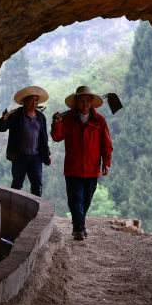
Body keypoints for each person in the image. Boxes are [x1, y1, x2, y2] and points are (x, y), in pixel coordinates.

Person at [50, 85, 113, 241]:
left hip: (92, 168)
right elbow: (57, 137)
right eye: (81, 101)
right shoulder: (67, 119)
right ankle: (79, 229)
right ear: (76, 103)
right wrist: (56, 123)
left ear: (91, 102)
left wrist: (106, 162)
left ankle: (78, 225)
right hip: (73, 167)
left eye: (87, 100)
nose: (84, 104)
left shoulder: (100, 121)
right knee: (75, 199)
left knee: (86, 200)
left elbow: (106, 144)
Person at [0, 85, 52, 197]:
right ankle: (14, 209)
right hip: (19, 156)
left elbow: (44, 138)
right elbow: (1, 128)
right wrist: (3, 119)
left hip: (36, 157)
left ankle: (37, 212)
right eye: (32, 100)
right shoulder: (16, 115)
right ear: (25, 101)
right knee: (17, 185)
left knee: (37, 185)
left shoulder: (41, 117)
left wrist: (47, 155)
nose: (34, 103)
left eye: (36, 100)